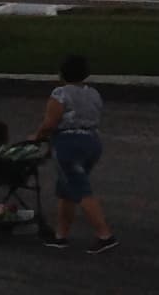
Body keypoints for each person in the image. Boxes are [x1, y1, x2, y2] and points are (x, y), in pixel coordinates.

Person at [35, 56, 115, 254]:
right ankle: (61, 235)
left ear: (62, 74)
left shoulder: (60, 94)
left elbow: (51, 123)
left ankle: (105, 235)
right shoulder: (93, 94)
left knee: (79, 188)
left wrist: (37, 136)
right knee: (67, 189)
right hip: (92, 142)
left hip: (69, 145)